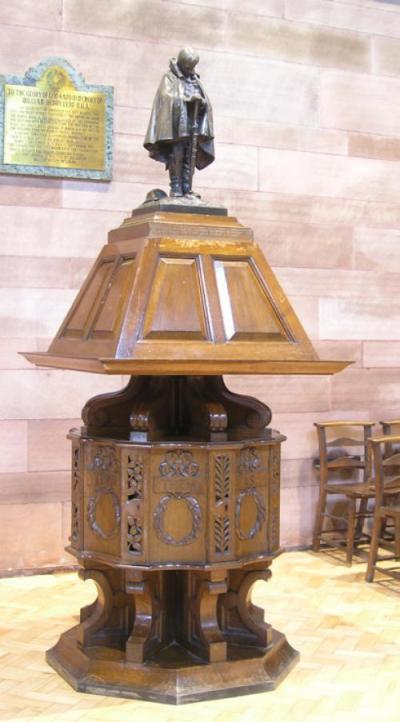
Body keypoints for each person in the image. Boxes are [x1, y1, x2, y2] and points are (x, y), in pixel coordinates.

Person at [144, 48, 215, 198]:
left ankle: (187, 187)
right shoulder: (169, 78)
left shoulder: (195, 80)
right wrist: (186, 100)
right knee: (177, 156)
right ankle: (176, 186)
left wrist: (201, 102)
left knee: (191, 156)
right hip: (176, 127)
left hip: (192, 126)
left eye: (193, 66)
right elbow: (166, 97)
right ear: (182, 64)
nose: (192, 69)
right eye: (189, 66)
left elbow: (206, 101)